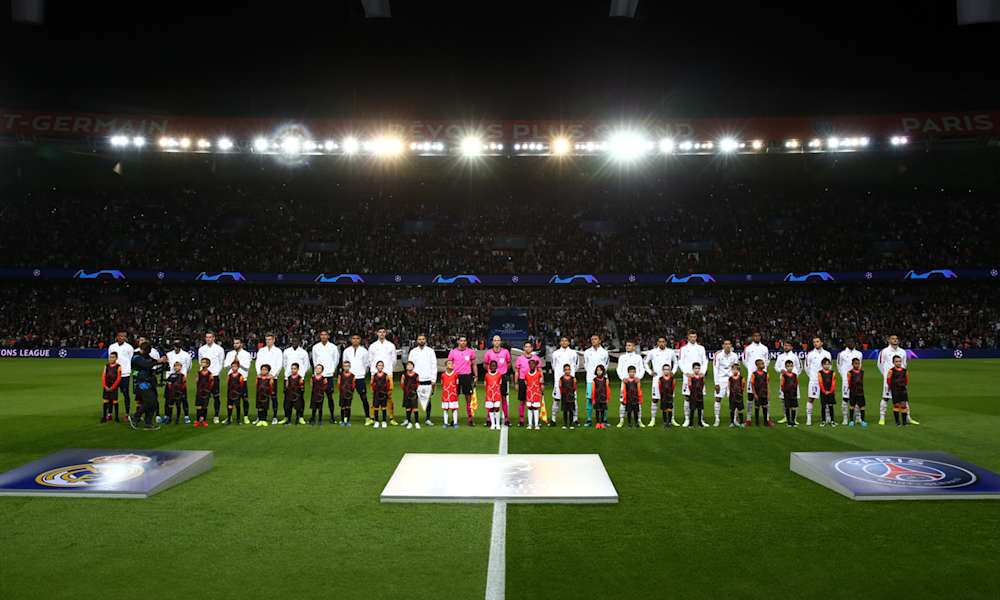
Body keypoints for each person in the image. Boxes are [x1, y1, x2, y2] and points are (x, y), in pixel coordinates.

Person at [878, 335, 918, 425]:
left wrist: (901, 376)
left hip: (900, 380)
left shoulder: (903, 352)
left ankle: (908, 418)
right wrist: (886, 375)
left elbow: (904, 364)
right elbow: (880, 365)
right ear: (889, 340)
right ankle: (882, 417)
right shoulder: (884, 351)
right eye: (893, 338)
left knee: (904, 399)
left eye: (896, 339)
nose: (895, 340)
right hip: (889, 379)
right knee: (885, 398)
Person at [127, 341, 167, 430]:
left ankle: (148, 423)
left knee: (153, 402)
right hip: (141, 382)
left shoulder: (146, 356)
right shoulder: (136, 357)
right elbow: (147, 364)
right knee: (149, 401)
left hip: (150, 381)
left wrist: (163, 361)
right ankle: (135, 416)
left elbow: (153, 363)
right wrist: (159, 361)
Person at [645, 336, 678, 427]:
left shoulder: (670, 352)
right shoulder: (652, 352)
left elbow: (676, 362)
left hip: (669, 379)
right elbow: (645, 362)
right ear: (657, 343)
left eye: (663, 341)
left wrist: (673, 372)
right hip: (657, 379)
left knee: (670, 399)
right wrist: (650, 372)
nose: (661, 343)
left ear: (666, 343)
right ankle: (653, 419)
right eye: (660, 341)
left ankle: (672, 419)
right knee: (655, 399)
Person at [678, 330, 708, 427]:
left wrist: (702, 372)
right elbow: (680, 362)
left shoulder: (701, 348)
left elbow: (705, 361)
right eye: (691, 337)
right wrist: (686, 372)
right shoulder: (683, 349)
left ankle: (701, 420)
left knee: (700, 397)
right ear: (688, 337)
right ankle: (687, 419)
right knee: (687, 397)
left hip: (699, 377)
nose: (693, 338)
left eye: (694, 337)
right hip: (688, 376)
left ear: (696, 337)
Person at [369, 328, 398, 426]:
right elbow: (370, 361)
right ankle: (372, 417)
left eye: (383, 332)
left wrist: (388, 370)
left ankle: (391, 417)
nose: (381, 333)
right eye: (380, 332)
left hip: (388, 374)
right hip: (376, 375)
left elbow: (394, 360)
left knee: (389, 396)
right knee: (375, 396)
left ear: (386, 333)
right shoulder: (372, 346)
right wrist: (374, 373)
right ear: (377, 333)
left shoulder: (391, 345)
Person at [447, 336, 478, 427]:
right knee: (454, 398)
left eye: (464, 340)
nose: (463, 342)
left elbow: (474, 364)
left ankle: (470, 418)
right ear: (458, 342)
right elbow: (449, 364)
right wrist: (449, 376)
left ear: (466, 342)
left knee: (468, 398)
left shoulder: (470, 352)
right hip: (455, 377)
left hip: (467, 376)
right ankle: (454, 419)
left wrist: (475, 376)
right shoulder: (453, 352)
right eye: (461, 341)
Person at [408, 334, 438, 427]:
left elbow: (434, 365)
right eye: (419, 339)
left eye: (423, 339)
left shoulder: (430, 351)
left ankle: (428, 419)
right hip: (415, 379)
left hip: (427, 379)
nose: (421, 340)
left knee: (428, 400)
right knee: (412, 400)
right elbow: (410, 365)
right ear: (417, 341)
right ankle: (409, 419)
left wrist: (433, 379)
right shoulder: (413, 351)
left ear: (425, 340)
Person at [310, 330, 340, 425]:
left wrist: (331, 370)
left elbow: (336, 359)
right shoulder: (316, 347)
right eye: (321, 335)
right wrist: (317, 372)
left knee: (330, 397)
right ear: (320, 336)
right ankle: (314, 417)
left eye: (325, 335)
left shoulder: (333, 347)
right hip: (318, 375)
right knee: (316, 397)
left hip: (329, 375)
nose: (323, 336)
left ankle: (332, 416)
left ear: (328, 336)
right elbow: (314, 361)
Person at [342, 334, 372, 426]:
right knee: (347, 399)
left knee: (364, 398)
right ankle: (346, 418)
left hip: (360, 377)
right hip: (349, 378)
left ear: (360, 340)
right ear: (351, 340)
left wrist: (361, 373)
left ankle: (368, 418)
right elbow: (344, 363)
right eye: (353, 338)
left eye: (357, 338)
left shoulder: (364, 351)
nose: (355, 340)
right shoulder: (347, 351)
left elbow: (367, 364)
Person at [483, 335, 513, 426]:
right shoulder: (488, 353)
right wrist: (491, 372)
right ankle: (489, 418)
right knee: (490, 398)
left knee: (503, 397)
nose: (496, 342)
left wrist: (503, 371)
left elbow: (509, 363)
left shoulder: (505, 352)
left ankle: (506, 418)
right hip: (492, 378)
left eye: (498, 340)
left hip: (502, 377)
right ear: (492, 342)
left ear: (500, 342)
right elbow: (485, 364)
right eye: (495, 340)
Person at [255, 333, 284, 425]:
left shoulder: (278, 351)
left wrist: (272, 374)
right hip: (262, 378)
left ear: (274, 340)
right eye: (266, 339)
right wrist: (259, 373)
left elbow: (279, 364)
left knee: (273, 397)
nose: (268, 341)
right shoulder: (261, 351)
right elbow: (257, 362)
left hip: (272, 378)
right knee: (261, 397)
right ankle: (261, 417)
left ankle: (274, 417)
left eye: (270, 339)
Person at [616, 340, 645, 428]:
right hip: (625, 383)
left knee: (637, 402)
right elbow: (618, 369)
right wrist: (622, 378)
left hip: (635, 383)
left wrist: (638, 377)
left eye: (629, 345)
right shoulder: (622, 357)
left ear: (634, 347)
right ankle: (621, 420)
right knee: (623, 401)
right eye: (626, 345)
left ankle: (639, 421)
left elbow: (642, 369)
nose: (627, 347)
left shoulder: (638, 357)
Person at [550, 336, 579, 427]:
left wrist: (570, 376)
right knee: (556, 399)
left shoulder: (574, 353)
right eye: (562, 341)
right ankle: (553, 419)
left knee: (573, 400)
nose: (564, 342)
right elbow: (553, 366)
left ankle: (575, 419)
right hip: (559, 380)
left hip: (570, 381)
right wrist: (560, 377)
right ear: (560, 343)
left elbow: (576, 366)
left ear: (569, 342)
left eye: (566, 340)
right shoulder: (555, 353)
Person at [198, 331, 226, 424]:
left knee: (216, 397)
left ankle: (216, 416)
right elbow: (200, 362)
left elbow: (221, 362)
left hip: (214, 376)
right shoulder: (201, 349)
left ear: (214, 338)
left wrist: (216, 372)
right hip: (203, 377)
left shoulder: (219, 349)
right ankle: (202, 416)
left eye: (210, 337)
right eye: (207, 337)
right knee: (203, 397)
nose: (208, 339)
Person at [743, 331, 769, 426]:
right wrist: (751, 370)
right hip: (752, 376)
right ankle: (749, 418)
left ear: (760, 337)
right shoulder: (748, 348)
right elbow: (745, 361)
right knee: (750, 397)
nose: (757, 337)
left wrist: (763, 371)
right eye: (755, 336)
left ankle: (767, 418)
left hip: (763, 376)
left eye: (758, 336)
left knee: (765, 398)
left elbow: (767, 360)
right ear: (753, 337)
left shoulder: (764, 348)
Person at [514, 342, 544, 427]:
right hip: (523, 381)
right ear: (523, 348)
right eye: (526, 347)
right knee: (522, 401)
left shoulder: (536, 358)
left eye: (529, 347)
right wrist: (516, 383)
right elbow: (516, 371)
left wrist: (542, 383)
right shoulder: (519, 358)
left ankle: (536, 420)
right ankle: (521, 419)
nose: (527, 348)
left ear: (532, 348)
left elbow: (540, 371)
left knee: (535, 401)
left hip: (534, 383)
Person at [225, 338, 253, 425]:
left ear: (241, 344)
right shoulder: (230, 354)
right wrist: (233, 362)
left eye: (237, 343)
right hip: (232, 381)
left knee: (244, 399)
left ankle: (245, 417)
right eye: (234, 343)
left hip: (242, 380)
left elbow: (247, 367)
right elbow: (225, 366)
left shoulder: (246, 354)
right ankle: (229, 417)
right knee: (230, 400)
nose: (235, 345)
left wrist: (238, 362)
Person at [804, 337, 831, 427]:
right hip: (814, 380)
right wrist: (812, 376)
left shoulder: (827, 354)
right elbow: (807, 368)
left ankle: (827, 417)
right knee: (811, 398)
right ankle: (809, 418)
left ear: (822, 343)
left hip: (825, 380)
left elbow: (830, 367)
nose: (815, 343)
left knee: (826, 399)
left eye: (817, 341)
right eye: (814, 342)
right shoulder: (810, 354)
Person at [583, 335, 610, 427]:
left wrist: (601, 376)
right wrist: (592, 374)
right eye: (592, 339)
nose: (593, 341)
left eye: (595, 339)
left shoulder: (605, 352)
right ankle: (589, 419)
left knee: (603, 400)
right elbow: (586, 365)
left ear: (600, 340)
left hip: (602, 380)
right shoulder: (587, 352)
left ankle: (604, 420)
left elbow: (606, 365)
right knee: (589, 399)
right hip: (591, 379)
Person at [712, 340, 740, 427]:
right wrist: (716, 383)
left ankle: (734, 420)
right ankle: (717, 419)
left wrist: (737, 380)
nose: (727, 346)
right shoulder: (718, 355)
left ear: (731, 346)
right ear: (723, 346)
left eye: (729, 344)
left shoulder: (734, 355)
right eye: (726, 344)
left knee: (734, 400)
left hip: (731, 379)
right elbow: (715, 369)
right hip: (720, 379)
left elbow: (737, 368)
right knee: (718, 399)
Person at [283, 337, 310, 422]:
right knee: (287, 398)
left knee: (300, 398)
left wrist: (301, 375)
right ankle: (287, 417)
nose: (294, 342)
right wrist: (288, 374)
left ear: (299, 342)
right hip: (288, 377)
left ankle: (300, 417)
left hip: (299, 379)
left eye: (296, 341)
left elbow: (307, 365)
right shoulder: (286, 351)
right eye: (293, 341)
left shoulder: (303, 352)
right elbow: (284, 364)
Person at [107, 331, 135, 416]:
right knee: (111, 393)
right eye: (120, 336)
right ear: (117, 337)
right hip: (113, 374)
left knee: (126, 393)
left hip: (124, 374)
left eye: (123, 336)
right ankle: (110, 413)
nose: (121, 338)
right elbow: (110, 359)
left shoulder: (129, 347)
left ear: (125, 337)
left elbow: (130, 359)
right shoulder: (112, 347)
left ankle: (127, 414)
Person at [165, 339, 192, 424]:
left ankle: (186, 416)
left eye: (177, 346)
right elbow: (167, 366)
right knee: (169, 399)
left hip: (180, 381)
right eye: (174, 346)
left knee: (183, 399)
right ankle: (167, 416)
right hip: (170, 379)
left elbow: (188, 367)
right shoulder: (169, 355)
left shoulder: (186, 355)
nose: (175, 348)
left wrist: (182, 376)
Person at [773, 340, 801, 424]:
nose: (786, 347)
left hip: (793, 382)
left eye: (788, 345)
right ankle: (785, 416)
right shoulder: (780, 356)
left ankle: (794, 418)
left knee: (794, 399)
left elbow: (799, 368)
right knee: (783, 399)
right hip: (784, 381)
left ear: (791, 347)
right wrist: (780, 370)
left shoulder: (795, 357)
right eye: (785, 345)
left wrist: (794, 376)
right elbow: (776, 367)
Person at [836, 339, 863, 425]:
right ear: (846, 343)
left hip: (857, 380)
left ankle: (858, 417)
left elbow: (860, 366)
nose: (851, 344)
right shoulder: (841, 354)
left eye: (853, 342)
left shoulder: (859, 354)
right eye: (849, 342)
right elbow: (839, 366)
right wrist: (844, 376)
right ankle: (845, 418)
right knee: (845, 399)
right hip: (846, 381)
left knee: (857, 399)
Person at [887, 355, 910, 426]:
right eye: (896, 361)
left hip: (903, 390)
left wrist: (903, 386)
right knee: (896, 405)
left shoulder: (905, 371)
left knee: (903, 405)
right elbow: (888, 380)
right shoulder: (891, 371)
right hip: (895, 390)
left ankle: (904, 422)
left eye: (900, 361)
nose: (898, 363)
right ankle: (897, 422)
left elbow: (906, 380)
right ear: (893, 362)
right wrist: (891, 388)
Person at [164, 361, 188, 425]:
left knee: (178, 406)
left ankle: (177, 419)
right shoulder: (171, 375)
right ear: (174, 367)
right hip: (172, 393)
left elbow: (184, 385)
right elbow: (168, 383)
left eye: (178, 366)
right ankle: (169, 418)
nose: (177, 367)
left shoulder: (182, 376)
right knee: (170, 406)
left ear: (181, 367)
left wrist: (182, 393)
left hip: (178, 393)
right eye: (175, 366)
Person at [101, 352, 122, 422]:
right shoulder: (106, 366)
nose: (111, 359)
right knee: (105, 401)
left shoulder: (118, 367)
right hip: (107, 386)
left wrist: (113, 387)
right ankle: (104, 417)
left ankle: (116, 417)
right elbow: (103, 376)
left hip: (114, 386)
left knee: (115, 401)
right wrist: (105, 386)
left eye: (113, 357)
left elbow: (119, 378)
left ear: (116, 358)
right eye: (110, 357)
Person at [371, 360, 392, 429]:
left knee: (383, 408)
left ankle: (384, 421)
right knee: (376, 408)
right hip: (376, 394)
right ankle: (376, 421)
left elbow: (388, 385)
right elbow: (372, 385)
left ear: (383, 367)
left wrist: (388, 392)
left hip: (384, 394)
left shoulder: (386, 375)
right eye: (379, 365)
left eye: (381, 365)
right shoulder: (374, 375)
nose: (380, 366)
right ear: (376, 366)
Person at [847, 357, 867, 427]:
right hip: (853, 392)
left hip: (860, 392)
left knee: (862, 407)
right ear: (852, 364)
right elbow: (849, 382)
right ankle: (852, 420)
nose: (857, 365)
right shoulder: (850, 372)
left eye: (858, 364)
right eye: (856, 364)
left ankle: (863, 420)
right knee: (852, 406)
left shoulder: (862, 372)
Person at [750, 358, 770, 427]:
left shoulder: (766, 374)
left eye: (763, 363)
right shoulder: (754, 374)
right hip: (758, 393)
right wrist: (754, 394)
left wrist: (768, 394)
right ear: (757, 365)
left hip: (764, 393)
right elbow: (752, 385)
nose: (763, 365)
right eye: (761, 364)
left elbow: (767, 384)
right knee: (757, 407)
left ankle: (765, 421)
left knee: (765, 407)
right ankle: (757, 422)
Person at [401, 361, 421, 429]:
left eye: (411, 365)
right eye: (408, 365)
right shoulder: (404, 375)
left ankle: (417, 422)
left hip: (414, 394)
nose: (409, 366)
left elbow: (418, 384)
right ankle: (409, 422)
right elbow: (402, 384)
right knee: (408, 408)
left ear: (413, 366)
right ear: (406, 367)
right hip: (407, 394)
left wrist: (414, 390)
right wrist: (406, 390)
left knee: (415, 408)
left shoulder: (416, 375)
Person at [440, 359, 460, 428]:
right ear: (446, 365)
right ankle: (445, 423)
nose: (451, 365)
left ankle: (455, 423)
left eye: (452, 363)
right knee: (445, 409)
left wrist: (454, 392)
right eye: (449, 363)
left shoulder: (455, 374)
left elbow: (457, 384)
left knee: (454, 408)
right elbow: (442, 384)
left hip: (453, 395)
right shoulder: (443, 375)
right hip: (445, 395)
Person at [484, 360, 504, 430]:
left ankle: (497, 424)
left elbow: (500, 385)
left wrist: (497, 392)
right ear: (489, 367)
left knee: (497, 408)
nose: (493, 367)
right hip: (489, 395)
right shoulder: (487, 375)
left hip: (497, 395)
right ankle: (493, 424)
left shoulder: (499, 375)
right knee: (491, 409)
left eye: (494, 366)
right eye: (491, 366)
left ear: (496, 367)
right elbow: (485, 385)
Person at [524, 359, 543, 430]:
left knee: (535, 409)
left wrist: (541, 390)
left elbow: (541, 383)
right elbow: (526, 383)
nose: (532, 365)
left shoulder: (539, 374)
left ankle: (536, 424)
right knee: (529, 408)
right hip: (529, 394)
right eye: (530, 364)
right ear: (528, 365)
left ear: (535, 365)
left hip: (536, 394)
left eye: (533, 364)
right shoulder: (526, 374)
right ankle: (530, 424)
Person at [225, 360, 246, 425]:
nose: (234, 368)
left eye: (235, 366)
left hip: (237, 393)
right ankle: (229, 419)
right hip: (230, 393)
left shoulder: (240, 376)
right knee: (229, 406)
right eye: (232, 366)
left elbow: (242, 385)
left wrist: (241, 393)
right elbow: (228, 384)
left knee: (237, 406)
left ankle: (238, 419)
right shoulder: (229, 375)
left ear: (238, 367)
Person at [780, 360, 799, 428]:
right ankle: (788, 422)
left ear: (793, 366)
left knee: (794, 408)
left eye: (791, 366)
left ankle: (793, 421)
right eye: (788, 366)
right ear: (785, 367)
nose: (790, 368)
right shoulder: (784, 376)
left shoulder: (795, 375)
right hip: (787, 394)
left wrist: (794, 391)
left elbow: (796, 383)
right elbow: (782, 385)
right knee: (787, 407)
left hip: (793, 394)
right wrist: (785, 391)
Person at [558, 363, 578, 430]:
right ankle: (565, 424)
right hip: (564, 396)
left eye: (568, 370)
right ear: (564, 370)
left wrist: (571, 393)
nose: (567, 371)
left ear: (570, 370)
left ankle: (571, 424)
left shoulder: (573, 378)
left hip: (571, 396)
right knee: (565, 411)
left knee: (571, 410)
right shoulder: (561, 379)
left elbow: (575, 387)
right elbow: (560, 387)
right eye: (566, 370)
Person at [194, 358, 213, 427]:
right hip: (199, 392)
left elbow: (211, 383)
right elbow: (197, 381)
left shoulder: (210, 374)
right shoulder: (198, 373)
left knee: (204, 407)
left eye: (204, 362)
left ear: (208, 364)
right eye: (202, 362)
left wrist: (208, 391)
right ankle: (197, 420)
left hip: (206, 393)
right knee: (198, 407)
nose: (202, 364)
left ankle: (204, 420)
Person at [818, 357, 837, 427]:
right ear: (822, 365)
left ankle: (832, 421)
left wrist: (830, 391)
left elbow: (833, 383)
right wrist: (824, 391)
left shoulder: (833, 372)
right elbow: (820, 382)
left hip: (831, 392)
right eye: (825, 364)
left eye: (828, 364)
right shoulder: (820, 373)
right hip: (823, 392)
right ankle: (823, 421)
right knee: (823, 406)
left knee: (831, 406)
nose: (827, 366)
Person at [686, 363, 707, 428]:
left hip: (700, 395)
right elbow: (689, 386)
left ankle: (700, 422)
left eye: (698, 368)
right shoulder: (691, 377)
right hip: (693, 395)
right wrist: (693, 392)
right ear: (693, 369)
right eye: (695, 368)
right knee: (692, 409)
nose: (697, 370)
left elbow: (703, 384)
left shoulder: (702, 376)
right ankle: (691, 423)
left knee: (700, 409)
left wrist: (701, 391)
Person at [656, 364, 676, 428]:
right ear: (663, 370)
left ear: (670, 370)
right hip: (663, 397)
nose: (666, 371)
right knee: (664, 409)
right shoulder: (660, 379)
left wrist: (671, 394)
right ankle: (665, 422)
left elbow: (673, 387)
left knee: (670, 409)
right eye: (665, 369)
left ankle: (669, 422)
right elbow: (659, 388)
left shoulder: (672, 379)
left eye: (668, 369)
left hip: (669, 396)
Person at [592, 364, 611, 429]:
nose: (599, 371)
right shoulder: (594, 380)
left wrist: (607, 398)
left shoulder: (606, 380)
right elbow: (593, 390)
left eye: (600, 370)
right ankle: (597, 423)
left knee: (603, 410)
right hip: (597, 398)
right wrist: (593, 399)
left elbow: (608, 389)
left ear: (603, 371)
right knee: (597, 411)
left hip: (603, 398)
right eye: (597, 370)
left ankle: (602, 423)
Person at [727, 363, 746, 428]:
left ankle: (741, 423)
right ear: (731, 370)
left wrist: (740, 393)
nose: (734, 371)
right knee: (732, 409)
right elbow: (729, 387)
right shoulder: (730, 378)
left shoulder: (741, 378)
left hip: (739, 396)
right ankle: (732, 422)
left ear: (738, 370)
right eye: (733, 369)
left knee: (740, 410)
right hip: (732, 397)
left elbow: (743, 386)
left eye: (736, 369)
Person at [338, 360, 356, 426]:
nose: (346, 367)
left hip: (349, 394)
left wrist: (351, 392)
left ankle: (348, 421)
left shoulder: (352, 375)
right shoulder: (340, 375)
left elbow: (353, 385)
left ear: (350, 366)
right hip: (342, 394)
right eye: (345, 366)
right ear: (343, 367)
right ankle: (342, 420)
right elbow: (339, 384)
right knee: (342, 407)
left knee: (348, 407)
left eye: (348, 366)